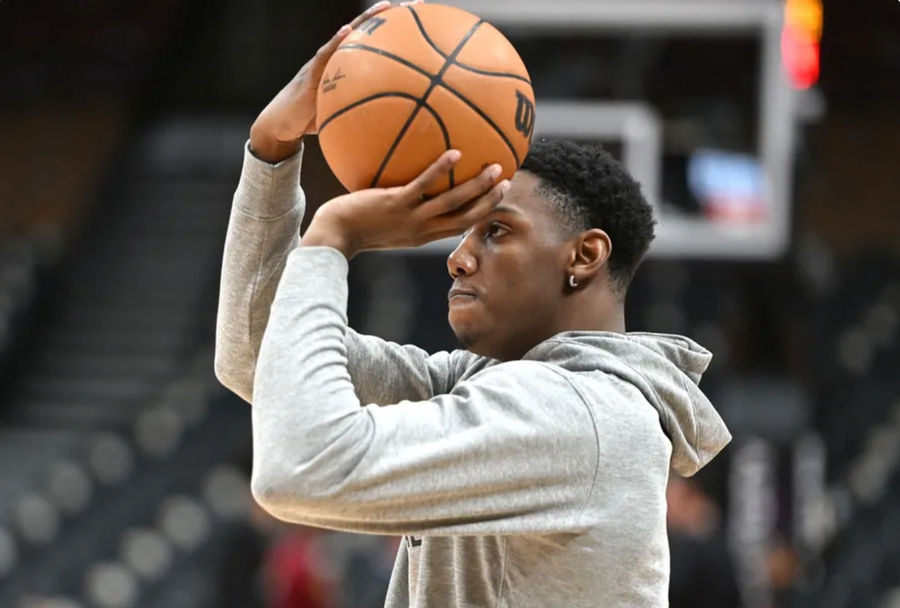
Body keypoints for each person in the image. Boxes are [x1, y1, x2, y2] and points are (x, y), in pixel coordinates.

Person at [214, 2, 732, 606]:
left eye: (496, 231)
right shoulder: (493, 386)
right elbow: (256, 355)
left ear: (584, 256)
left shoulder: (577, 415)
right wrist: (273, 150)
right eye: (463, 233)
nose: (456, 257)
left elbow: (298, 471)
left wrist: (333, 237)